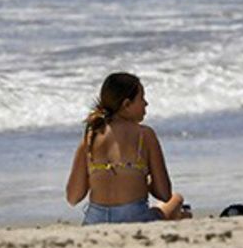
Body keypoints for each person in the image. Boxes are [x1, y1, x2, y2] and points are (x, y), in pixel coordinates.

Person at [65, 72, 189, 224]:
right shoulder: (145, 135)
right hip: (135, 217)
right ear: (126, 104)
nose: (146, 103)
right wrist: (140, 179)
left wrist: (101, 176)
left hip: (95, 220)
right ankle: (183, 216)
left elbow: (73, 197)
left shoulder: (91, 137)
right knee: (177, 199)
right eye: (142, 98)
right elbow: (164, 194)